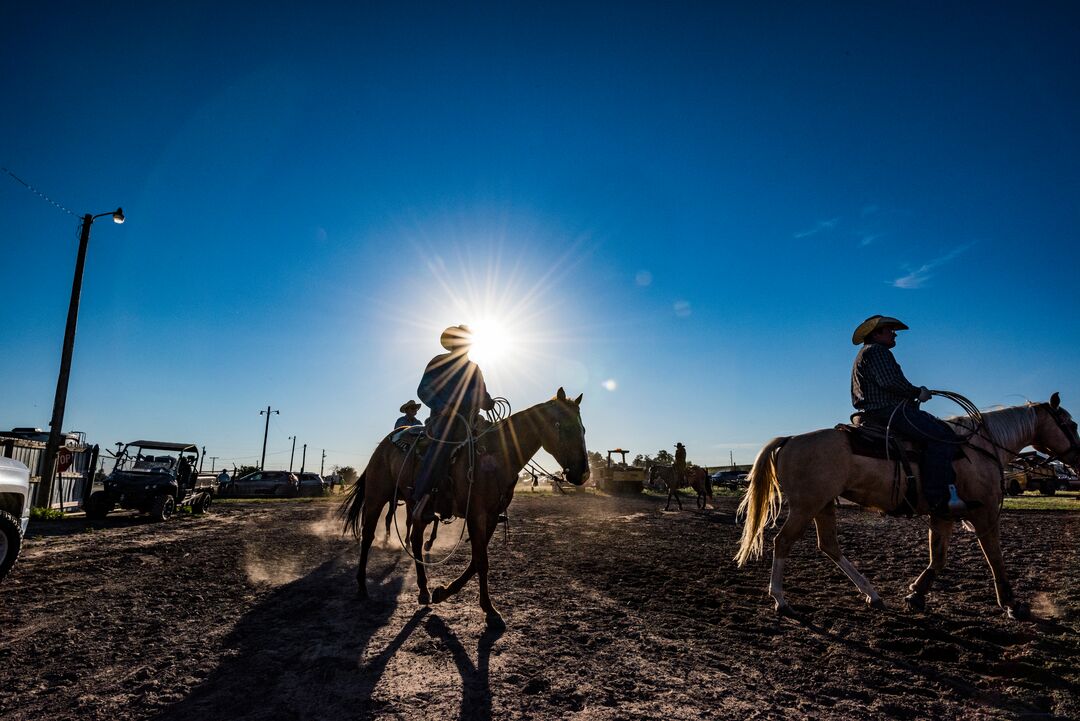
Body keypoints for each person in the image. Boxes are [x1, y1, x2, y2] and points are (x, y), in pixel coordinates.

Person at [850, 315, 966, 517]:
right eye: (889, 330)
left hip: (875, 412)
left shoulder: (866, 353)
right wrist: (916, 392)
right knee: (942, 436)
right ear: (876, 334)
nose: (894, 334)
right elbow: (890, 382)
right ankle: (938, 498)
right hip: (887, 412)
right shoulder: (878, 351)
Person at [411, 325, 495, 521]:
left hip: (470, 421)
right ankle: (422, 500)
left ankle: (491, 502)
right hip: (444, 420)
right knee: (441, 446)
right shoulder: (439, 362)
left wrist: (489, 402)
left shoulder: (474, 368)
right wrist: (442, 407)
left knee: (493, 445)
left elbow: (482, 395)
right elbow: (424, 390)